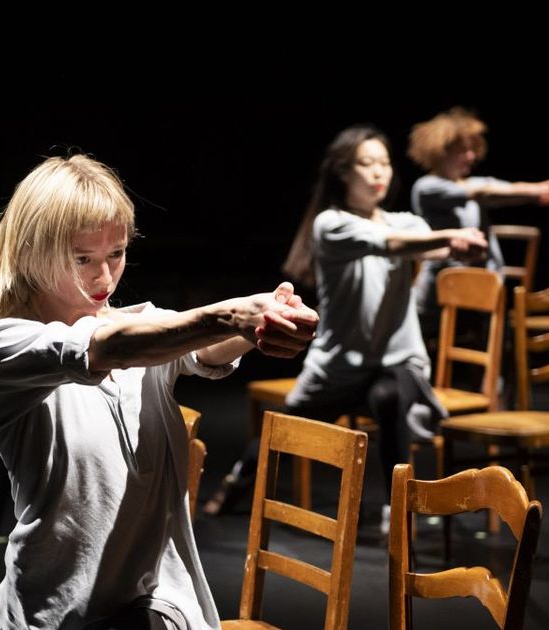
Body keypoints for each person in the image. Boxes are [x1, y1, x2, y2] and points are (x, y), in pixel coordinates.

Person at [0, 154, 318, 630]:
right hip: (56, 611)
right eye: (82, 259)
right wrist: (228, 314)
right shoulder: (0, 344)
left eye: (116, 254)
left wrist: (267, 321)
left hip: (156, 602)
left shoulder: (144, 326)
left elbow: (201, 346)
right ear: (33, 252)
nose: (104, 277)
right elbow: (105, 348)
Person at [202, 125, 487, 528]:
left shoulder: (407, 224)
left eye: (384, 164)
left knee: (389, 396)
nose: (378, 173)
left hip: (397, 361)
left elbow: (425, 240)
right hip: (338, 365)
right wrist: (451, 238)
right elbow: (387, 242)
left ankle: (398, 506)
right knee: (289, 429)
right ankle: (236, 483)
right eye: (366, 164)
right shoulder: (331, 225)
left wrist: (458, 243)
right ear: (342, 172)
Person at [408, 106, 549, 340]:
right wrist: (533, 191)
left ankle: (494, 373)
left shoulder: (471, 183)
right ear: (442, 152)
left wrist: (536, 192)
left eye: (473, 150)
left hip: (480, 287)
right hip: (441, 291)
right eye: (463, 150)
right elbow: (482, 192)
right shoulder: (426, 187)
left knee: (493, 303)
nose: (471, 157)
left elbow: (502, 189)